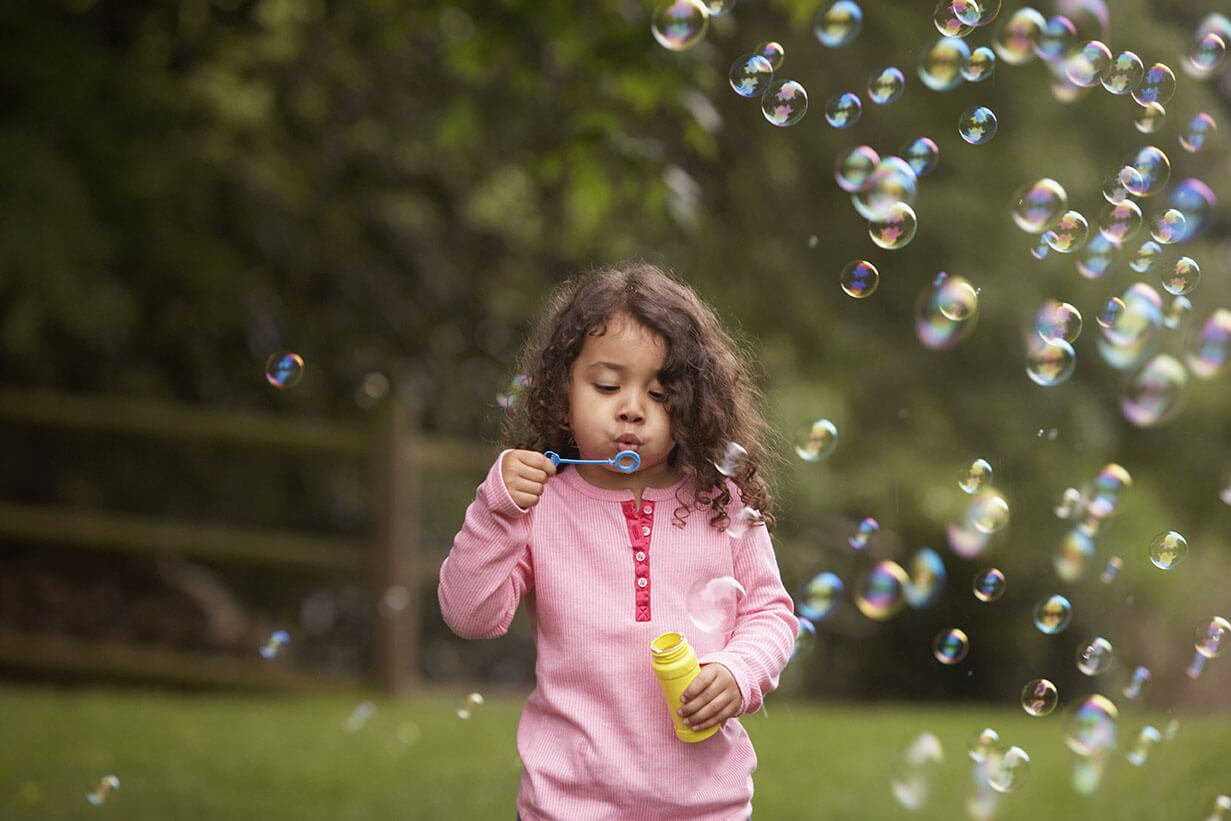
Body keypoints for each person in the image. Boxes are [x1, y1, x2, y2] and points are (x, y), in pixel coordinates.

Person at [439, 261, 797, 821]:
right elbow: (470, 614)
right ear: (563, 394)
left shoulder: (719, 500)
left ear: (693, 405)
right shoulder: (539, 506)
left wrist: (738, 672)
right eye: (608, 385)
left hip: (705, 806)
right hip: (566, 804)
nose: (631, 407)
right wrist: (497, 508)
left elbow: (770, 613)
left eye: (660, 394)